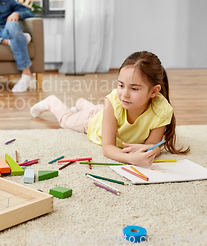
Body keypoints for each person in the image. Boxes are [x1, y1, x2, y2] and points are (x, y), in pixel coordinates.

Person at [30, 51, 190, 166]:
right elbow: (108, 147)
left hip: (107, 113)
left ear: (154, 91)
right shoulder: (114, 101)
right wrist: (130, 159)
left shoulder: (162, 110)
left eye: (134, 89)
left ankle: (82, 104)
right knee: (65, 121)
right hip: (92, 121)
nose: (124, 94)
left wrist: (150, 151)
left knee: (102, 109)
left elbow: (153, 146)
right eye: (121, 85)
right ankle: (52, 102)